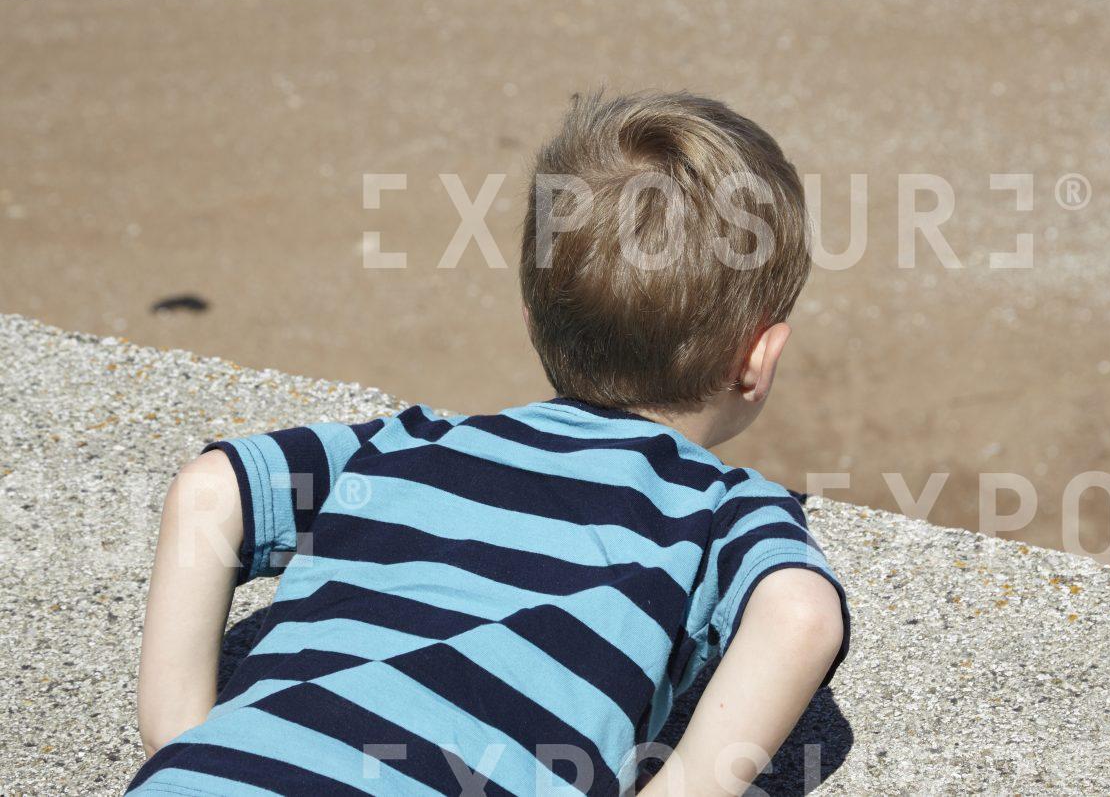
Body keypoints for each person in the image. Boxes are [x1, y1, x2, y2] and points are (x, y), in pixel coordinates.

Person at [129, 91, 849, 796]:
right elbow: (800, 615)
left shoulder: (403, 444)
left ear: (539, 309)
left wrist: (182, 730)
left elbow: (213, 487)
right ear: (758, 356)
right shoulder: (717, 506)